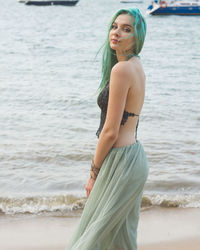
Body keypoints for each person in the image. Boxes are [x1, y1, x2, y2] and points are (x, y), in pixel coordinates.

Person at [67, 8, 149, 250]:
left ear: (137, 37)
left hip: (120, 163)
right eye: (115, 26)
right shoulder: (136, 66)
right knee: (119, 242)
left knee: (89, 241)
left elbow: (110, 131)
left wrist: (93, 174)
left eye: (126, 29)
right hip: (134, 159)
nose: (116, 33)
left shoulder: (121, 70)